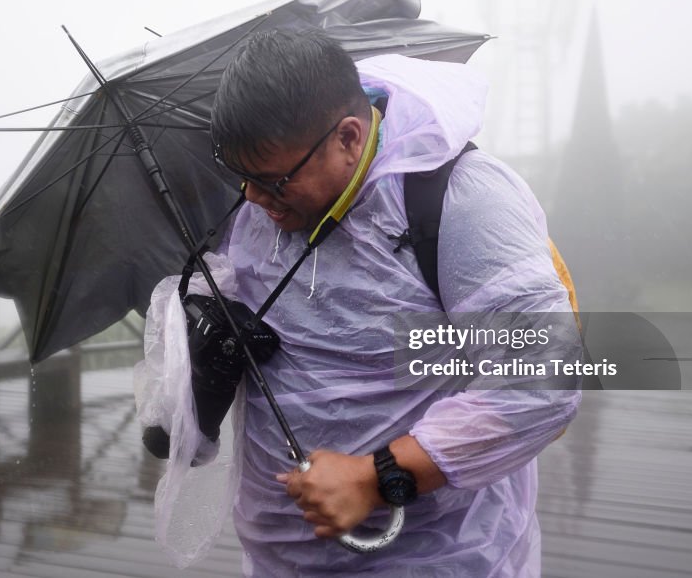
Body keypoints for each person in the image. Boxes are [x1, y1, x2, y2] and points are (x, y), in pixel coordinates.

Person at [201, 29, 582, 576]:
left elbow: (544, 378)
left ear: (349, 137)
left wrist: (377, 478)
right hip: (279, 558)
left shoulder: (459, 199)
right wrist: (202, 360)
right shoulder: (260, 209)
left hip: (436, 556)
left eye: (274, 181)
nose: (253, 198)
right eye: (241, 178)